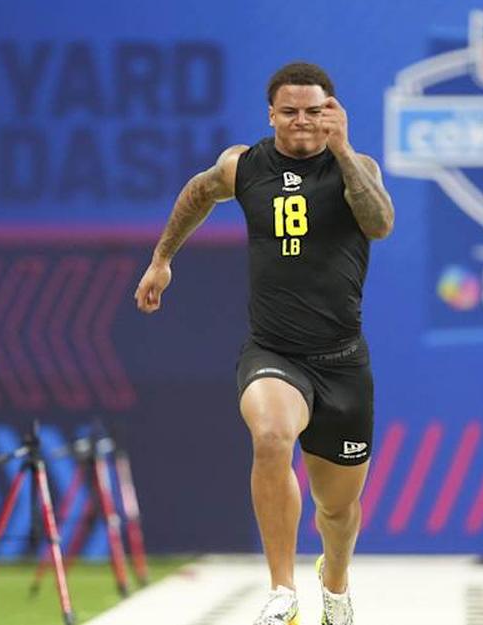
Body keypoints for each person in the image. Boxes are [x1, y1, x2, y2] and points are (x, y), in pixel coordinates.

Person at [135, 62, 393, 625]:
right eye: (291, 111)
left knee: (338, 507)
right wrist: (162, 259)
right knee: (272, 437)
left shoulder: (358, 168)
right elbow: (197, 193)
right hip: (275, 353)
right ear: (271, 115)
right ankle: (282, 591)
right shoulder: (245, 165)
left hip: (343, 363)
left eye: (315, 111)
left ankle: (335, 580)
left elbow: (379, 224)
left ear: (334, 112)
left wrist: (344, 151)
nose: (303, 122)